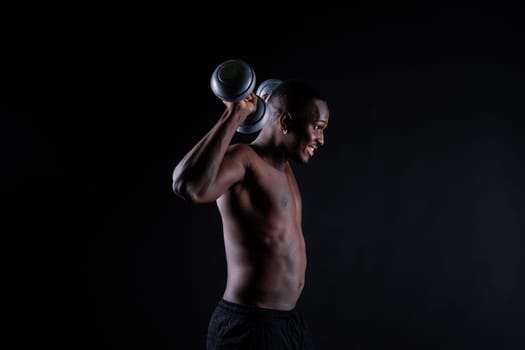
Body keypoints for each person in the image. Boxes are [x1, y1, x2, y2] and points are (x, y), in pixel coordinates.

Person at [172, 79, 330, 349]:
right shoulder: (244, 160)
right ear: (285, 123)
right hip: (250, 327)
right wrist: (234, 114)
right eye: (317, 128)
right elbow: (188, 186)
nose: (321, 139)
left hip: (288, 324)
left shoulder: (284, 167)